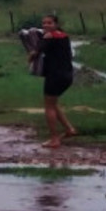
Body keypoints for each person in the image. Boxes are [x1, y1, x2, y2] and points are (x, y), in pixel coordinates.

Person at [28, 14, 77, 148]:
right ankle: (69, 129)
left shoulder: (49, 37)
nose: (46, 25)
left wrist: (30, 58)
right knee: (53, 104)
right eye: (44, 23)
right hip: (67, 75)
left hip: (55, 76)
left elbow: (35, 52)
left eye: (49, 23)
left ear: (55, 24)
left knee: (49, 106)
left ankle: (54, 139)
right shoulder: (64, 36)